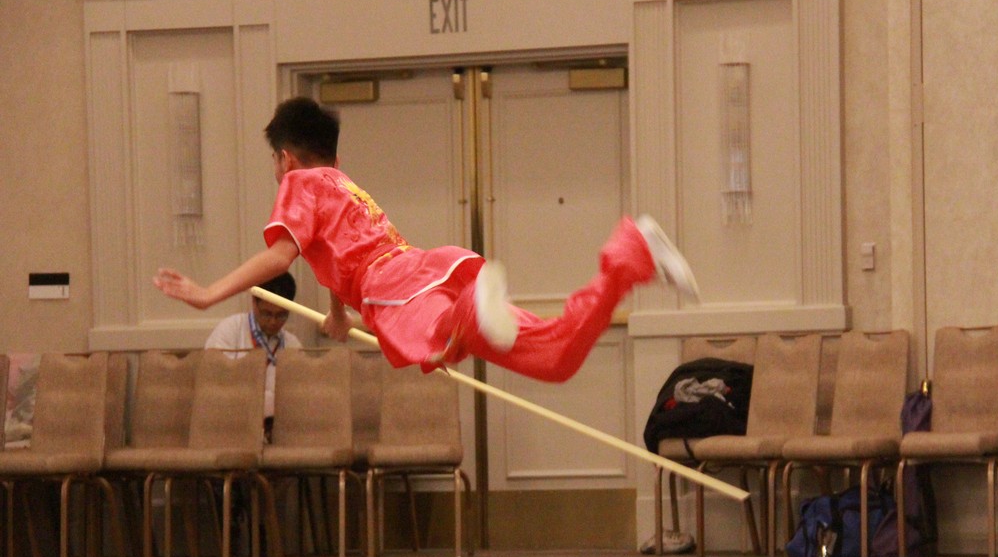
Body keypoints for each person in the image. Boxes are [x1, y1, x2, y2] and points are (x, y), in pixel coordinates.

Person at [154, 96, 698, 385]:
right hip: (422, 272)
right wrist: (339, 314)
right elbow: (337, 256)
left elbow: (281, 256)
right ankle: (631, 254)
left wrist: (207, 294)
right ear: (335, 156)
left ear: (284, 159)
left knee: (438, 339)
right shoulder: (342, 184)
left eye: (276, 164)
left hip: (395, 288)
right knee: (556, 358)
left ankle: (471, 312)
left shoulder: (299, 182)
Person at [205, 271, 302, 441]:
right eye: (267, 313)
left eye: (281, 315)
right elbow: (215, 386)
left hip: (279, 431)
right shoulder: (229, 331)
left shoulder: (293, 345)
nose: (273, 322)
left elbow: (297, 399)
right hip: (232, 428)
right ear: (254, 303)